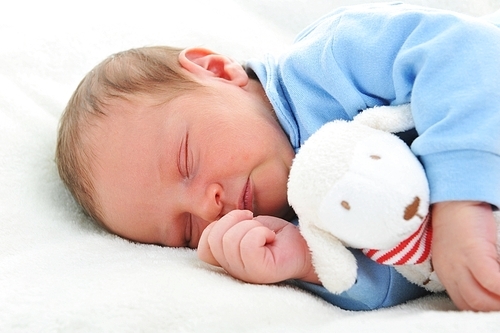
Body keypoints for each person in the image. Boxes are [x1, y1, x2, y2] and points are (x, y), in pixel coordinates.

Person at [56, 2, 500, 311]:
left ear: (215, 70)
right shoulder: (297, 221)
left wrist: (462, 204)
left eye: (186, 162)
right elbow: (408, 278)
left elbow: (467, 54)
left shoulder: (331, 61)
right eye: (187, 232)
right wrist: (309, 263)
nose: (207, 206)